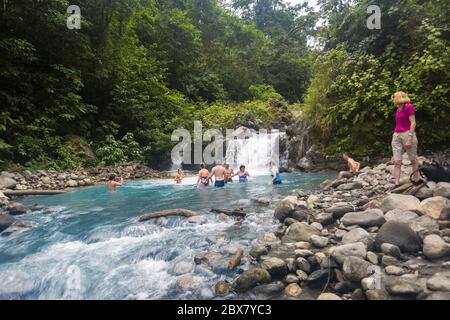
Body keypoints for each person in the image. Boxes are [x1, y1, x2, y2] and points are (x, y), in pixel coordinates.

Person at [391, 91, 419, 186]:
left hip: (407, 133)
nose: (393, 100)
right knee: (397, 161)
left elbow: (413, 123)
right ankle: (397, 183)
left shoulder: (408, 106)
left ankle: (416, 180)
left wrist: (410, 137)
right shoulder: (398, 109)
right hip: (396, 135)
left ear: (398, 97)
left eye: (394, 98)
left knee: (413, 159)